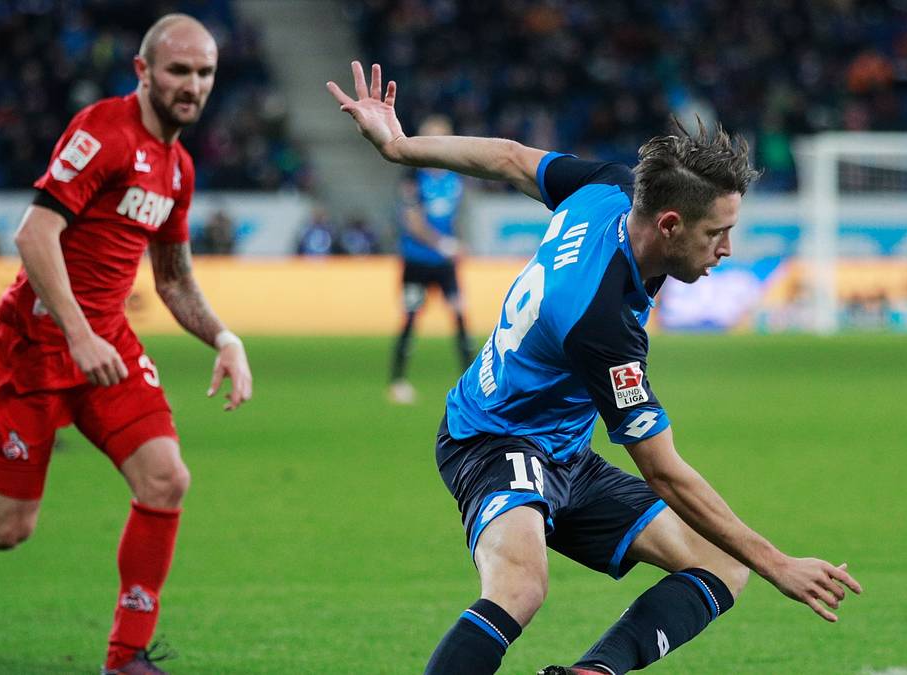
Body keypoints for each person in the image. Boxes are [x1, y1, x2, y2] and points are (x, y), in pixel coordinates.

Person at [329, 62, 861, 675]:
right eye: (717, 233)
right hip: (493, 440)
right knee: (519, 588)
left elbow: (510, 158)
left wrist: (401, 147)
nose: (727, 249)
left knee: (720, 563)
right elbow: (663, 471)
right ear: (670, 225)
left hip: (564, 451)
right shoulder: (600, 321)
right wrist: (778, 563)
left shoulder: (610, 189)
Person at [0, 14, 253, 675]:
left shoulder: (178, 168)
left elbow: (173, 278)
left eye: (204, 73)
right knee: (5, 526)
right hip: (34, 344)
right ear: (144, 71)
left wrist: (224, 337)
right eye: (179, 70)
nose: (193, 84)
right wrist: (77, 333)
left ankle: (126, 656)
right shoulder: (105, 131)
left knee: (166, 477)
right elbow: (34, 233)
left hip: (106, 343)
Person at [388, 114, 473, 404]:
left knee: (460, 316)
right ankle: (397, 381)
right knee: (411, 318)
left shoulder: (455, 178)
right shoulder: (413, 178)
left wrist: (458, 243)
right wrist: (443, 244)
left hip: (445, 264)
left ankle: (473, 385)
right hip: (417, 262)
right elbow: (412, 221)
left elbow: (455, 218)